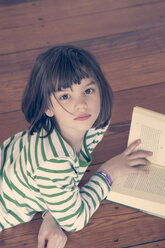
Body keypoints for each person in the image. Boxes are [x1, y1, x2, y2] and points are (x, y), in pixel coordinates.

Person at [0, 45, 152, 248]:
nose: (81, 104)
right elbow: (75, 220)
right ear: (47, 107)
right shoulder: (53, 161)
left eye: (88, 90)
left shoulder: (92, 125)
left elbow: (66, 181)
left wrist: (52, 213)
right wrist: (109, 172)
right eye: (65, 96)